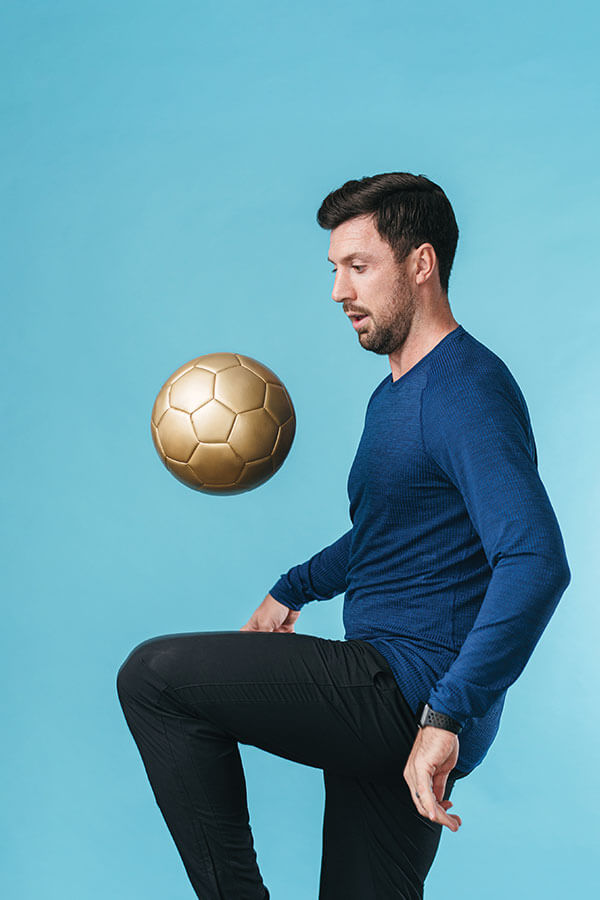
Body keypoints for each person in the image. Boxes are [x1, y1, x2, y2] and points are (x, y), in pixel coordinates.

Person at [116, 172, 571, 899]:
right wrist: (293, 588)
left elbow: (535, 559)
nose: (338, 292)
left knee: (154, 678)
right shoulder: (397, 391)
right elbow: (396, 531)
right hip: (411, 696)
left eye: (358, 267)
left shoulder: (464, 391)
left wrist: (447, 713)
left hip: (408, 691)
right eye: (334, 270)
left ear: (421, 264)